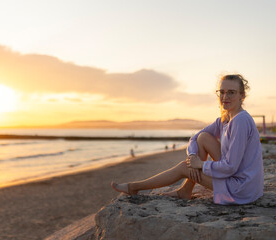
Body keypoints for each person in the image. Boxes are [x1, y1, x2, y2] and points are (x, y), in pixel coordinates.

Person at [111, 74, 264, 205]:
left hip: (241, 189)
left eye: (231, 92)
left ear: (242, 96)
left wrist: (201, 165)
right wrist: (192, 156)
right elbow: (196, 137)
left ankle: (134, 187)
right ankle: (185, 190)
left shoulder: (240, 121)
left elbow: (231, 167)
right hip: (241, 182)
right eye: (222, 92)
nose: (225, 97)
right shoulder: (225, 119)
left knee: (185, 168)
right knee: (203, 138)